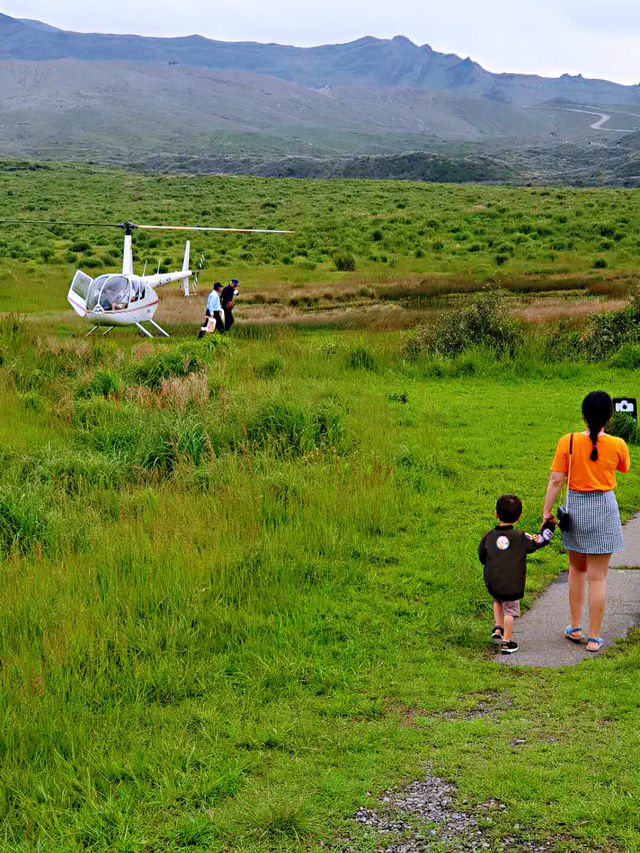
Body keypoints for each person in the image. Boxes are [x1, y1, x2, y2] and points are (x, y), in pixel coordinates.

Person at [543, 391, 630, 653]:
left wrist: (546, 512)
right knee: (598, 577)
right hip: (604, 509)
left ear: (583, 415)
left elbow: (556, 480)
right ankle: (594, 637)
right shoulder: (618, 444)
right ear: (609, 418)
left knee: (576, 569)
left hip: (576, 510)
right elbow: (624, 467)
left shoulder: (567, 441)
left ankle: (575, 626)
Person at [479, 494, 555, 654]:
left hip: (493, 581)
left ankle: (497, 628)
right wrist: (549, 527)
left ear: (496, 514)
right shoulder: (521, 537)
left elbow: (482, 554)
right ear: (519, 517)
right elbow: (540, 540)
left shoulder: (489, 536)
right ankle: (506, 642)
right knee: (510, 610)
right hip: (512, 585)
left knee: (497, 600)